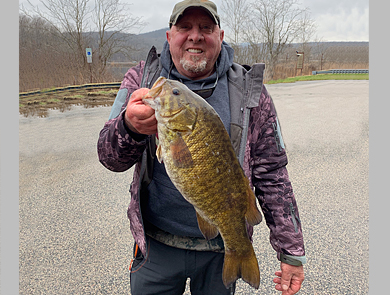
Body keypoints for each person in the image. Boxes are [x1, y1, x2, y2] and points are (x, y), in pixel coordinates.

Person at [97, 0, 306, 294]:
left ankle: (240, 254)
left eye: (206, 28)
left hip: (221, 248)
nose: (195, 36)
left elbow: (272, 174)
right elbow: (108, 157)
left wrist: (291, 251)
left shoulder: (249, 91)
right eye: (185, 27)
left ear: (220, 37)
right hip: (156, 248)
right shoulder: (140, 81)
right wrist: (129, 128)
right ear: (169, 36)